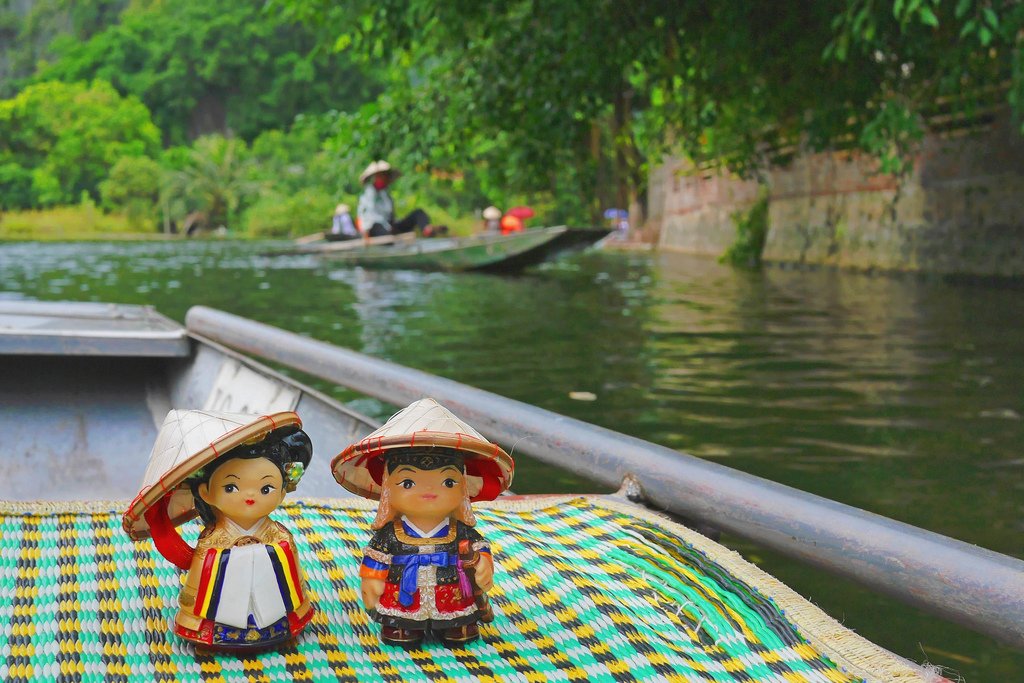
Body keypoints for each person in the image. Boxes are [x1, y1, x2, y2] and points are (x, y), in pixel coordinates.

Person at [124, 410, 316, 652]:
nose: (249, 496)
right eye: (231, 487)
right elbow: (199, 577)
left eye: (266, 488)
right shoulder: (212, 541)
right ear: (205, 493)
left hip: (276, 613)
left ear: (282, 493)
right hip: (219, 616)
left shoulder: (280, 536)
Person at [331, 398, 514, 648]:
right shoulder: (390, 535)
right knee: (400, 629)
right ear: (388, 490)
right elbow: (376, 557)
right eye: (408, 483)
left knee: (459, 627)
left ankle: (456, 625)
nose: (429, 491)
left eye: (448, 483)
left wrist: (483, 563)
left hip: (453, 594)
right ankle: (403, 627)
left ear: (462, 489)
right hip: (402, 596)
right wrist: (372, 581)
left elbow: (479, 548)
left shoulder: (460, 531)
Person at [357, 160, 430, 238]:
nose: (385, 178)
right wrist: (365, 230)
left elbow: (391, 216)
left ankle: (427, 229)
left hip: (389, 226)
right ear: (376, 177)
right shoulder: (369, 192)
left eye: (386, 176)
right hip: (374, 227)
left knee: (418, 213)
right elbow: (364, 214)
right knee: (383, 231)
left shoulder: (386, 194)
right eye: (382, 176)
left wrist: (395, 226)